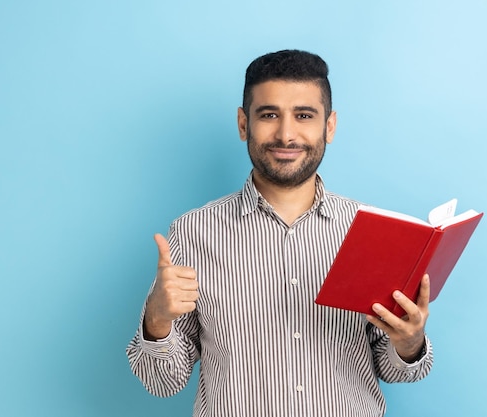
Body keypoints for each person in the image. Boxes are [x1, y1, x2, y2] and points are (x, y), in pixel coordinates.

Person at [127, 49, 433, 417]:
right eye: (269, 115)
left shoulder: (370, 232)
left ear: (329, 126)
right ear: (243, 124)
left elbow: (395, 369)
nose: (286, 134)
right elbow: (164, 381)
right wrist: (157, 322)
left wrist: (410, 342)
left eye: (304, 115)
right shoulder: (193, 232)